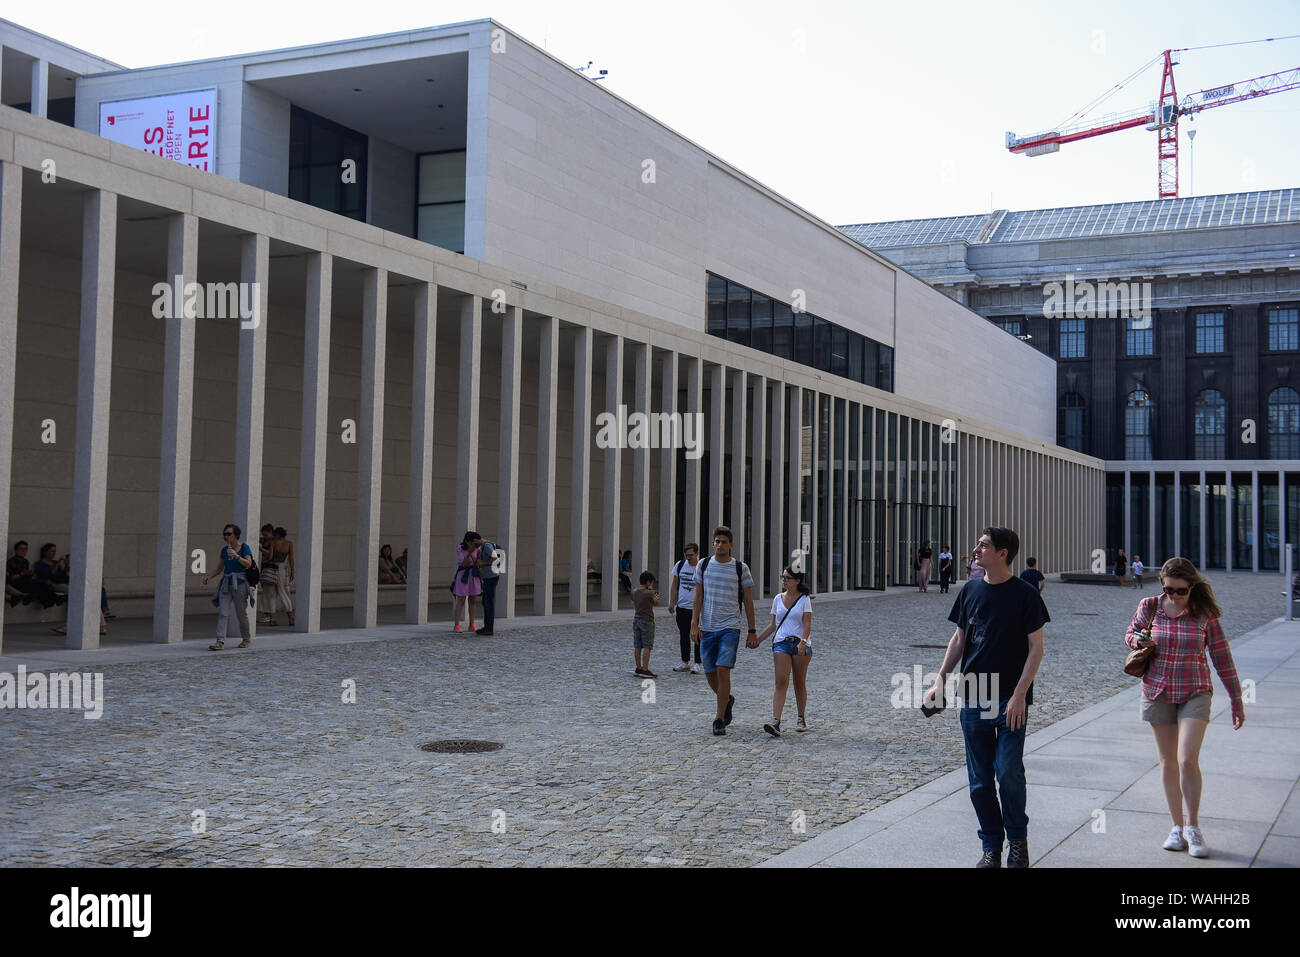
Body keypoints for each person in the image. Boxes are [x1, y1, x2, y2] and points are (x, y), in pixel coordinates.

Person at [924, 527, 1049, 869]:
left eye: (983, 545)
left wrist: (1020, 695)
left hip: (1011, 697)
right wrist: (940, 681)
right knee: (979, 781)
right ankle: (992, 846)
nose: (976, 549)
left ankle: (1018, 842)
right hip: (974, 695)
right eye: (978, 543)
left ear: (1003, 553)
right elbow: (959, 639)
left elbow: (1036, 649)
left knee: (1008, 771)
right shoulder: (971, 590)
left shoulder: (1026, 595)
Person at [1125, 557, 1243, 859]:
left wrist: (1236, 698)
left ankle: (1193, 826)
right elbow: (1130, 633)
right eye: (1169, 589)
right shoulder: (1150, 606)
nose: (1174, 596)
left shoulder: (1204, 614)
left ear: (1192, 587)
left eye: (1180, 591)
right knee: (1167, 762)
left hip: (1195, 689)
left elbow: (1222, 657)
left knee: (1187, 758)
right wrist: (1138, 640)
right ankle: (1175, 827)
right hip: (1157, 689)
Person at [690, 525, 756, 736]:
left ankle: (719, 719)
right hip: (707, 627)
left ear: (731, 545)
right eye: (717, 541)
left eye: (724, 542)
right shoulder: (704, 564)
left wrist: (752, 630)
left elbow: (748, 600)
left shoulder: (740, 568)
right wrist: (694, 623)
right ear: (712, 544)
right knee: (709, 672)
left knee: (722, 669)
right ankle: (726, 699)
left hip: (730, 626)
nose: (720, 545)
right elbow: (698, 596)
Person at [759, 565, 813, 737]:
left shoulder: (804, 598)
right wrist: (757, 640)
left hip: (799, 643)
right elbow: (773, 624)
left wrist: (803, 642)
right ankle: (776, 721)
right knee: (781, 681)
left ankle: (801, 716)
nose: (784, 580)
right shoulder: (777, 599)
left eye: (787, 578)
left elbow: (807, 623)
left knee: (799, 682)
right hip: (781, 642)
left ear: (797, 581)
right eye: (783, 577)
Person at [201, 523, 255, 651]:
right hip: (226, 583)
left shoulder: (244, 547)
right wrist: (210, 576)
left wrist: (236, 556)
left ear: (236, 535)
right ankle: (220, 641)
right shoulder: (224, 550)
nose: (226, 536)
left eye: (229, 534)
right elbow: (220, 567)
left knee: (241, 613)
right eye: (224, 534)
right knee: (223, 613)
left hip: (240, 584)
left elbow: (249, 564)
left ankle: (246, 638)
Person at [669, 543, 703, 674]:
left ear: (697, 553)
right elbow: (674, 584)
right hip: (682, 606)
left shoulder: (702, 567)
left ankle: (698, 663)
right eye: (687, 555)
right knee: (684, 634)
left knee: (697, 635)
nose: (689, 558)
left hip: (697, 608)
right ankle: (685, 661)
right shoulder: (680, 565)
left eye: (691, 555)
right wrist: (672, 602)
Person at [262, 526, 295, 627]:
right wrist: (292, 571)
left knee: (271, 594)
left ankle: (273, 619)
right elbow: (291, 559)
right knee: (283, 593)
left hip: (272, 569)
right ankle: (290, 618)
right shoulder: (289, 543)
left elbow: (271, 557)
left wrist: (265, 560)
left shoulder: (273, 543)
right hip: (282, 569)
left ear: (277, 535)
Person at [451, 531, 482, 633]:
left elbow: (478, 562)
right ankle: (457, 625)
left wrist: (478, 556)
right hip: (463, 575)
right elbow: (463, 564)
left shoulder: (478, 549)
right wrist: (469, 552)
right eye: (474, 542)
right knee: (461, 600)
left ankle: (472, 624)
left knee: (473, 600)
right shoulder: (460, 548)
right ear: (468, 542)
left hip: (473, 575)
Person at [631, 571, 660, 677]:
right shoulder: (650, 593)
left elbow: (633, 601)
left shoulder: (634, 591)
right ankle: (645, 669)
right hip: (647, 620)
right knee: (647, 645)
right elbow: (656, 602)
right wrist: (653, 592)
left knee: (637, 645)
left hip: (636, 619)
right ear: (648, 582)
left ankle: (638, 668)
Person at [476, 533, 500, 635]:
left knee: (488, 603)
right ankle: (487, 627)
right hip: (488, 577)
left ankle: (489, 629)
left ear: (474, 541)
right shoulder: (484, 546)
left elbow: (495, 559)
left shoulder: (487, 546)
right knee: (486, 602)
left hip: (491, 577)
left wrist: (482, 563)